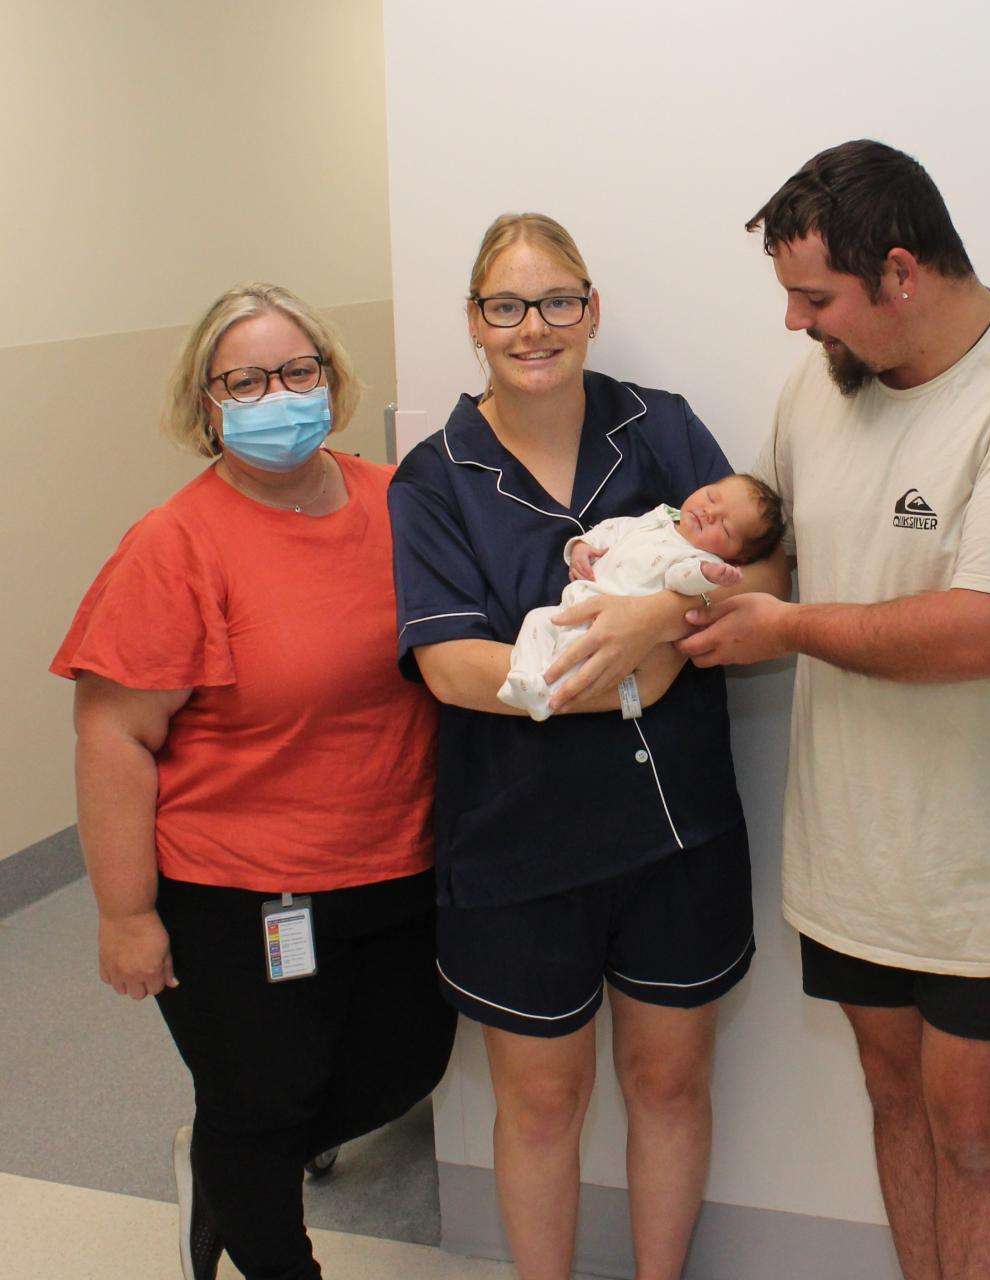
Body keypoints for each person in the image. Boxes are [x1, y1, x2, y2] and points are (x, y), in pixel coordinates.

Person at [680, 140, 990, 1280]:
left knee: (976, 1134)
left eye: (813, 296)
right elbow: (789, 549)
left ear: (898, 273)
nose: (794, 323)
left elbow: (987, 630)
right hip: (850, 858)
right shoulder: (821, 385)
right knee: (895, 1106)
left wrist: (781, 627)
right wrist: (691, 568)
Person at [388, 213, 789, 1280]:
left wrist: (659, 622)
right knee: (541, 1103)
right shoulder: (435, 476)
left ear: (592, 308)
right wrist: (630, 669)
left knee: (668, 1083)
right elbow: (450, 667)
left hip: (677, 833)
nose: (535, 326)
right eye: (507, 305)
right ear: (474, 322)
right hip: (515, 848)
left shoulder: (658, 427)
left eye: (558, 299)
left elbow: (767, 580)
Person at [51, 283, 457, 1280]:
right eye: (246, 379)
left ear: (330, 377)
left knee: (402, 1066)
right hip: (241, 887)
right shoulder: (175, 545)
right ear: (207, 405)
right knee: (265, 1099)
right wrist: (126, 912)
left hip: (400, 859)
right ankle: (260, 1219)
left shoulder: (397, 501)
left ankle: (224, 1155)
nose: (278, 393)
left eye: (297, 370)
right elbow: (113, 737)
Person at [500, 473, 785, 719]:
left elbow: (681, 580)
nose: (710, 513)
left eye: (724, 527)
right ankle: (525, 676)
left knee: (576, 655)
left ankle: (544, 694)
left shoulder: (697, 557)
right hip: (580, 599)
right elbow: (617, 527)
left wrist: (707, 574)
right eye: (712, 497)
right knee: (537, 621)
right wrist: (583, 546)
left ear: (737, 557)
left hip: (610, 625)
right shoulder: (661, 516)